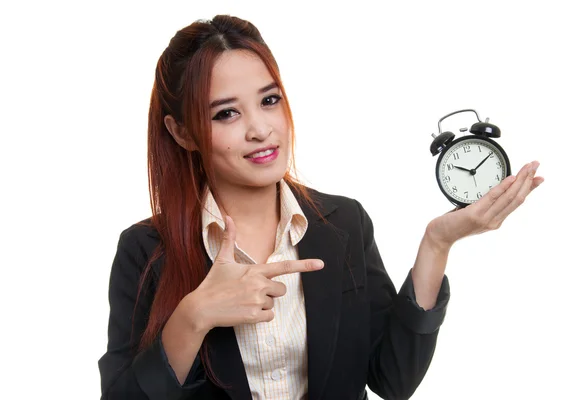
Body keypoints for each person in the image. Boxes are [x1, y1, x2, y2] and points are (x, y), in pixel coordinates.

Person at [97, 14, 544, 400]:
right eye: (226, 114)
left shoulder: (343, 224)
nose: (260, 129)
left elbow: (392, 378)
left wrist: (437, 243)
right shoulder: (146, 251)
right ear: (182, 133)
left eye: (269, 101)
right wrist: (194, 316)